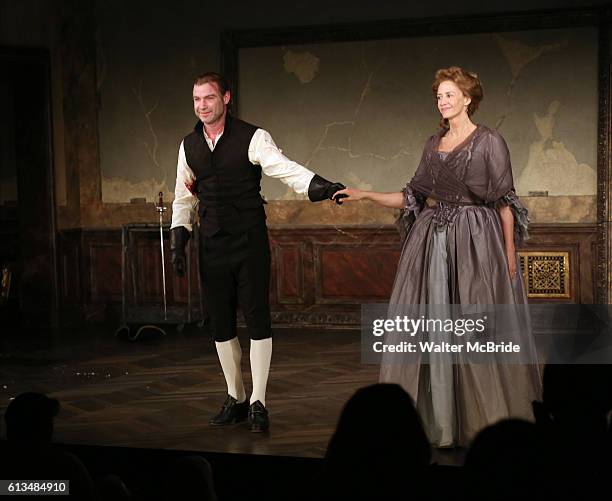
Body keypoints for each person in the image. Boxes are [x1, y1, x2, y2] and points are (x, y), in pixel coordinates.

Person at [334, 66, 542, 447]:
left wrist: (509, 253)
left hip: (476, 244)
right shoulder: (433, 144)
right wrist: (364, 195)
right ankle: (439, 423)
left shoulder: (489, 142)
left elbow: (504, 202)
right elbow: (411, 196)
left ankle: (483, 421)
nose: (443, 101)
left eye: (450, 94)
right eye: (439, 96)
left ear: (468, 98)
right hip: (432, 243)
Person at [170, 72, 345, 432]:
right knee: (220, 322)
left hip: (248, 241)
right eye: (197, 100)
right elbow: (183, 196)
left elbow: (284, 169)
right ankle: (235, 396)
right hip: (212, 244)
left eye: (209, 98)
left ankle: (258, 401)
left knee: (257, 318)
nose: (202, 105)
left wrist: (320, 186)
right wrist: (179, 240)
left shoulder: (253, 137)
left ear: (226, 98)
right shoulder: (188, 146)